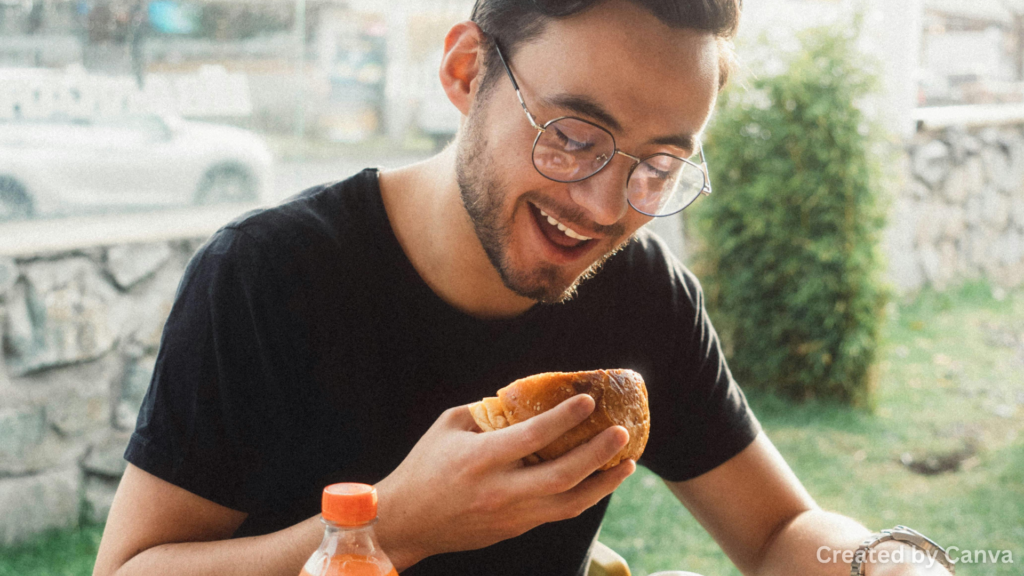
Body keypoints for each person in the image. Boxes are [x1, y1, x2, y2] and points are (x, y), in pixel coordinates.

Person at [93, 1, 953, 575]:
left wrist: (885, 560)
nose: (606, 206)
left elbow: (778, 533)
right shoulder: (266, 277)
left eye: (659, 164)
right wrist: (392, 524)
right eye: (576, 134)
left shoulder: (644, 298)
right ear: (468, 73)